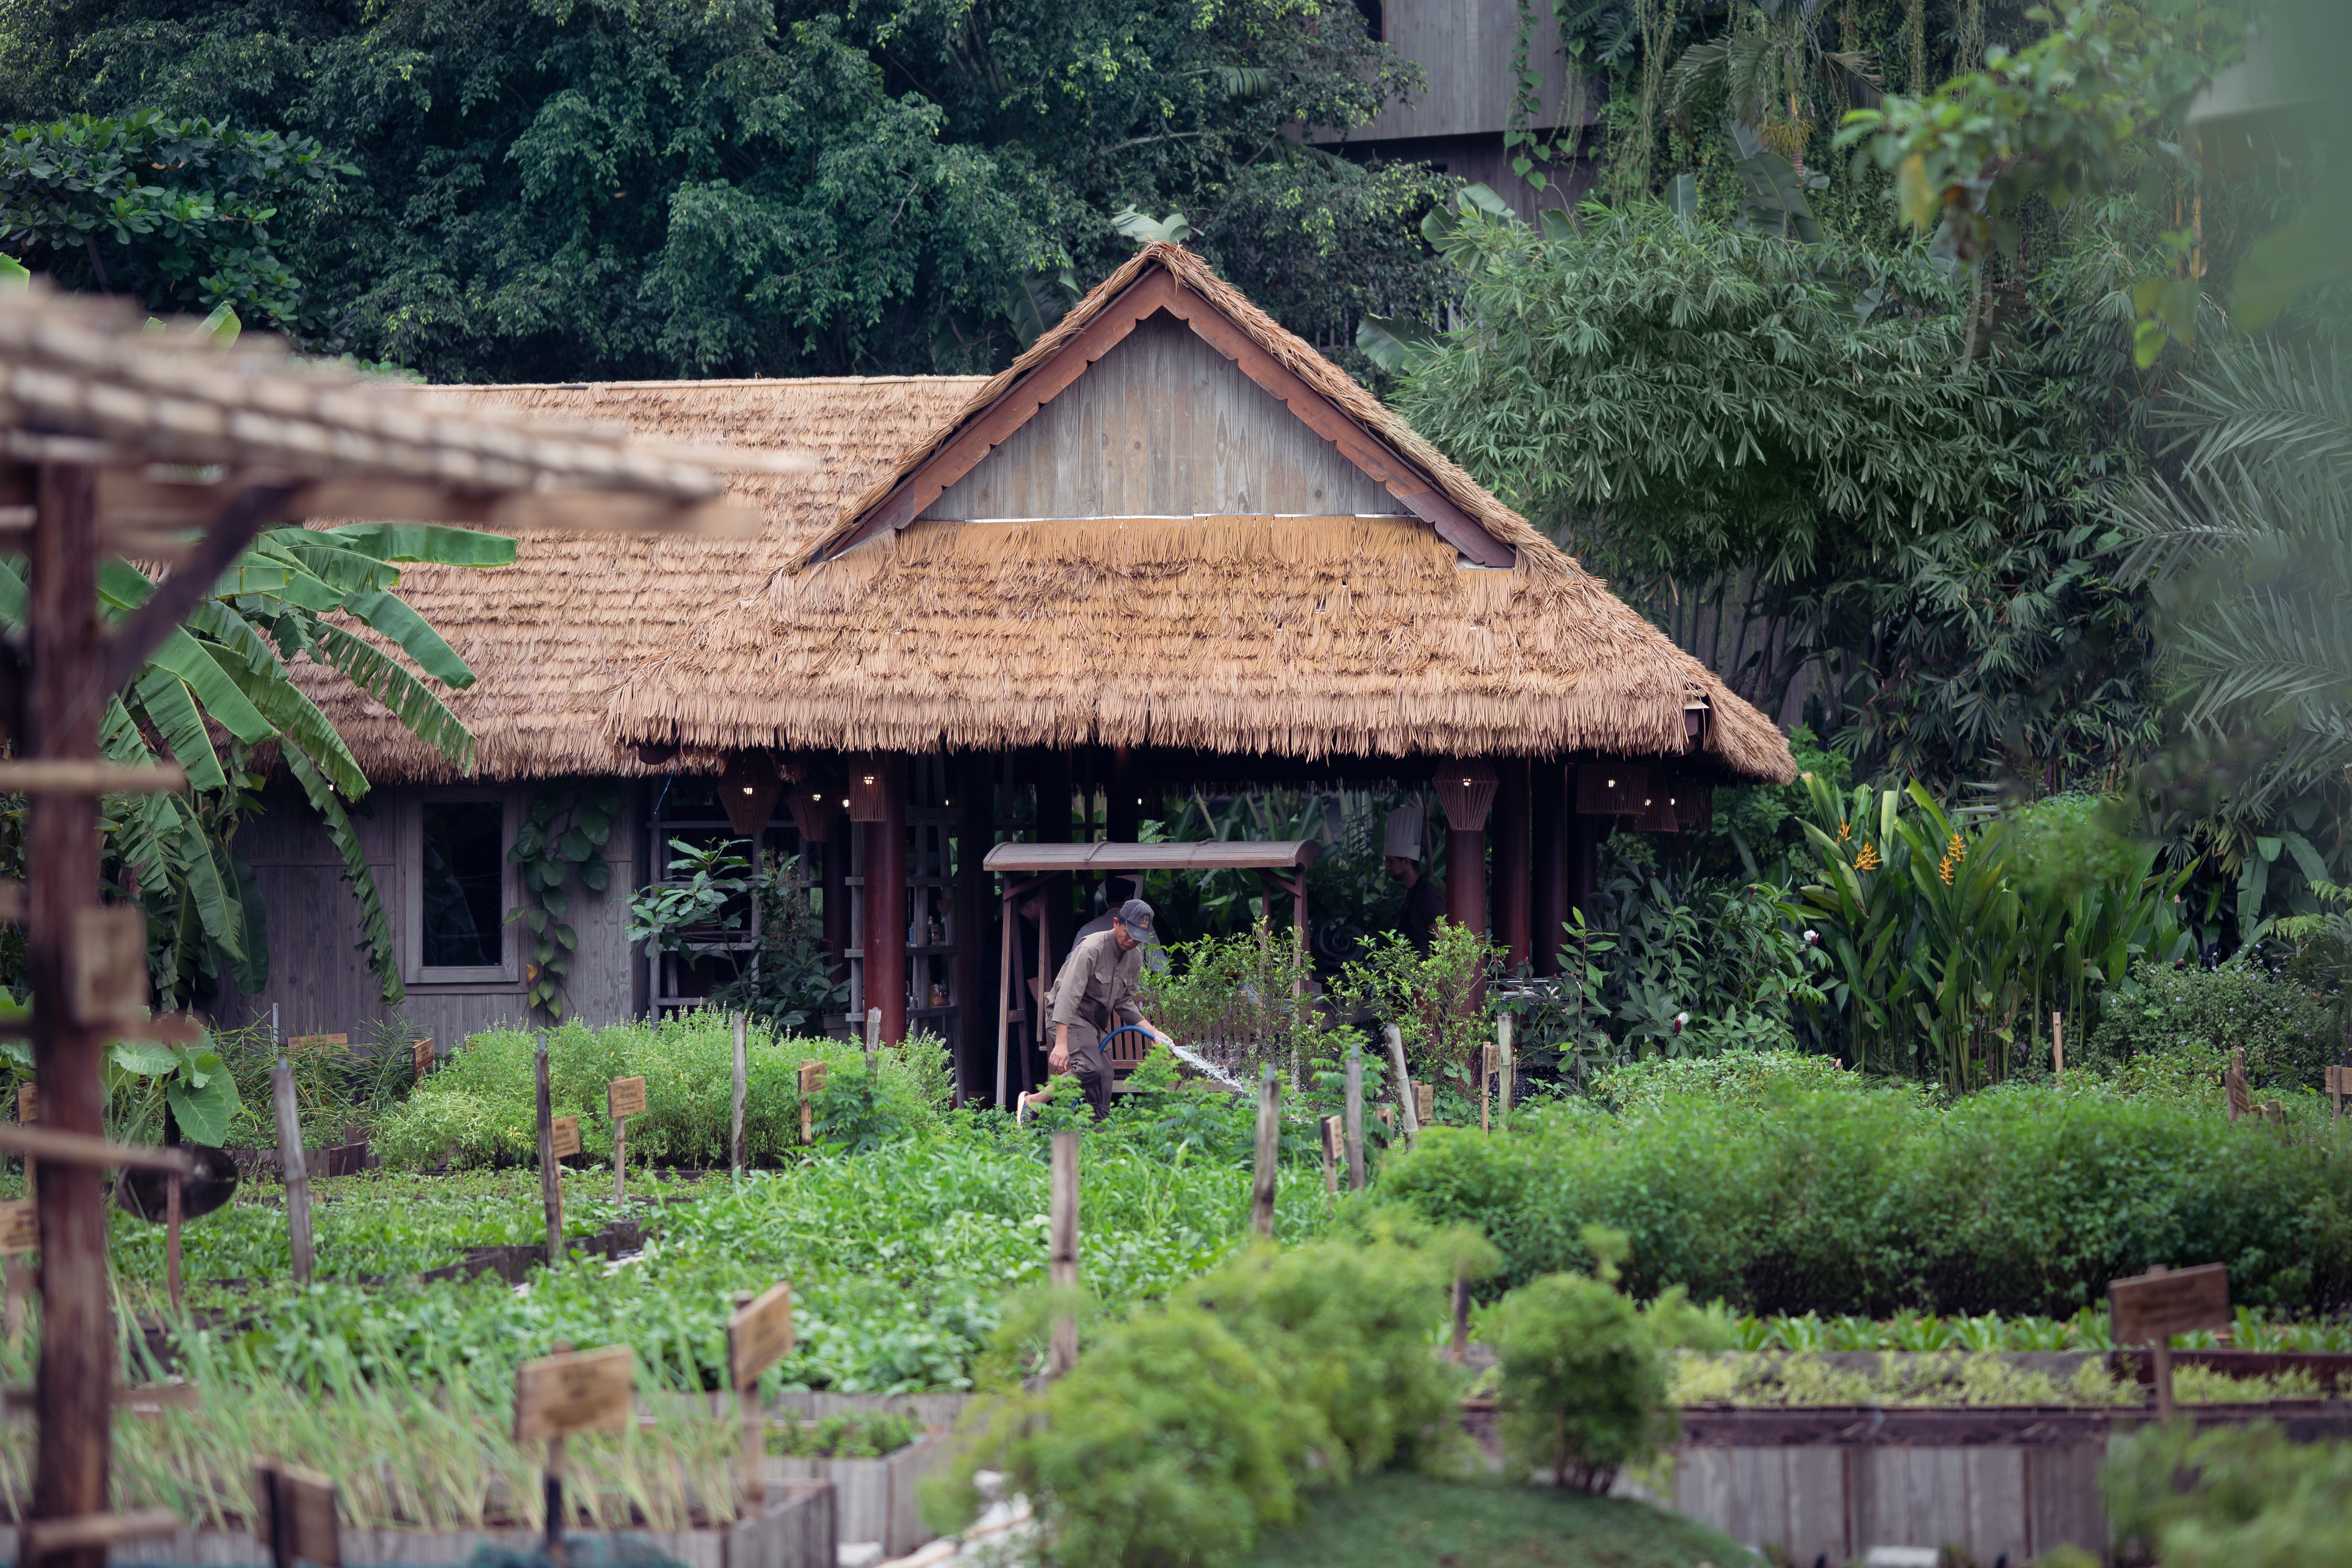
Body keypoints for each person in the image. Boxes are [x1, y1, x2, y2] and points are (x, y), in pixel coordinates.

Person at [1044, 897, 1172, 1118]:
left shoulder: (1134, 957)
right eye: (1129, 934)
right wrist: (1062, 1044)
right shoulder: (1090, 948)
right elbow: (1067, 996)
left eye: (1139, 938)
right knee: (1089, 1068)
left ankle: (1099, 1132)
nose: (1133, 941)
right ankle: (1034, 1101)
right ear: (1116, 923)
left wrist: (1154, 1032)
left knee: (1104, 1077)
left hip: (1095, 1022)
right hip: (1070, 1016)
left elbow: (1124, 1002)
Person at [1384, 803, 1446, 953]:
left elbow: (1444, 943)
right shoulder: (1413, 891)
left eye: (1391, 862)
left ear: (1407, 861)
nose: (1387, 868)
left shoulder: (1427, 895)